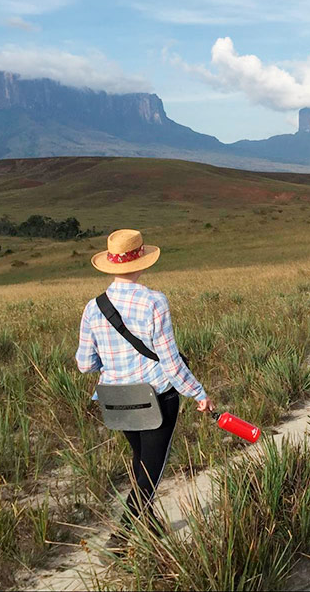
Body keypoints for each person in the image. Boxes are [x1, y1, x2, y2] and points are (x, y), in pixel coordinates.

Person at [75, 229, 215, 557]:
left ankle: (149, 525)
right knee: (151, 472)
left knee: (140, 462)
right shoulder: (154, 301)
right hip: (156, 398)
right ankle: (121, 539)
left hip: (114, 399)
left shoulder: (93, 308)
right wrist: (199, 393)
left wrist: (113, 362)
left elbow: (84, 364)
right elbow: (170, 361)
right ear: (142, 261)